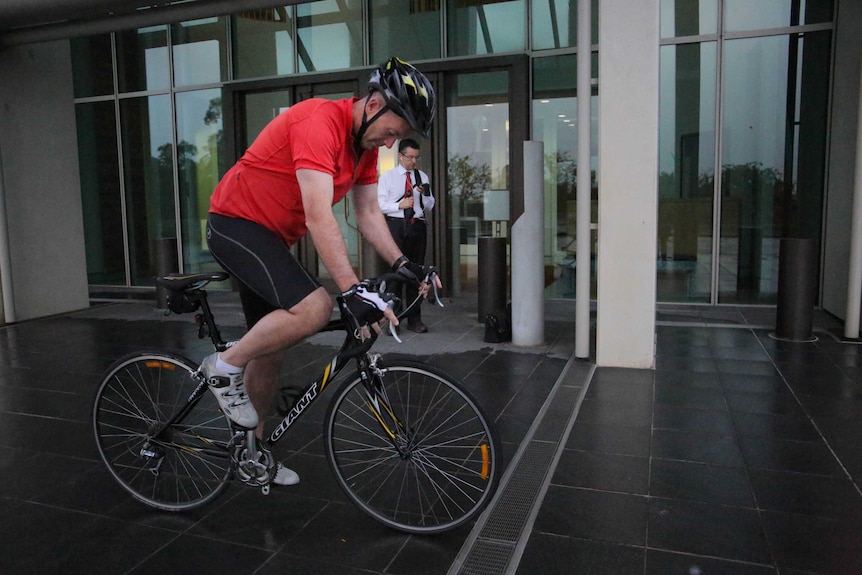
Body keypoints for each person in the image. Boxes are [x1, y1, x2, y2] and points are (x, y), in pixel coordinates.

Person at [202, 57, 438, 486]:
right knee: (313, 308)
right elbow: (318, 216)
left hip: (270, 239)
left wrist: (404, 265)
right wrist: (350, 290)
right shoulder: (318, 122)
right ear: (373, 105)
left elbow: (367, 214)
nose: (390, 143)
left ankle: (252, 456)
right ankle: (224, 364)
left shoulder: (361, 148)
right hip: (235, 225)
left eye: (399, 138)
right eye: (392, 131)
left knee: (273, 349)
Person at [377, 138, 435, 333]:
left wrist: (423, 195)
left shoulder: (422, 176)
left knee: (416, 272)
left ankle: (414, 319)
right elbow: (380, 204)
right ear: (400, 156)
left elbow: (429, 205)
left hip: (417, 226)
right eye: (410, 157)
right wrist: (399, 206)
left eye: (416, 158)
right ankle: (394, 319)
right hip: (396, 226)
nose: (413, 162)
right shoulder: (388, 177)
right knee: (395, 273)